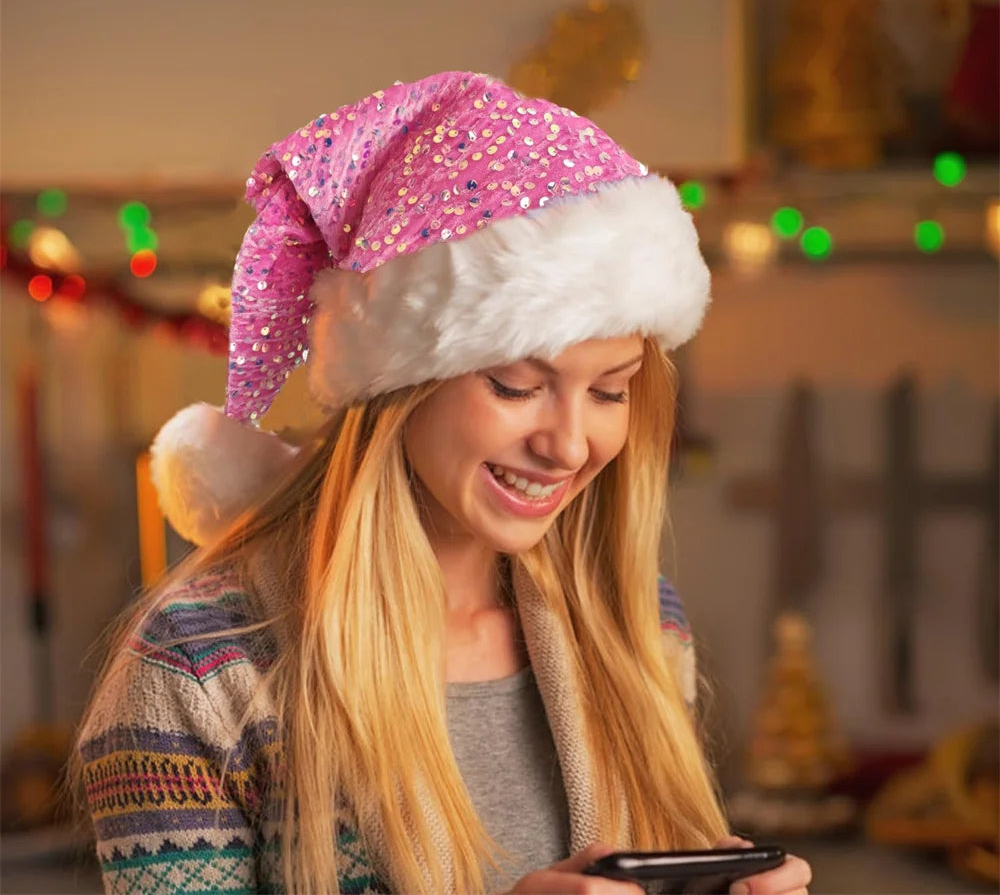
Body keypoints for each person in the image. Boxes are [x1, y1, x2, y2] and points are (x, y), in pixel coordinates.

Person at [75, 71, 812, 895]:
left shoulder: (637, 617)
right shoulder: (201, 671)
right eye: (515, 385)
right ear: (401, 385)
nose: (570, 443)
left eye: (610, 390)